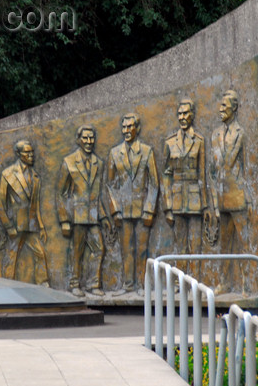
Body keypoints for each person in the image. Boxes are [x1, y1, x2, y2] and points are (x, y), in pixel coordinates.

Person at [106, 113, 159, 296]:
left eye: (130, 127)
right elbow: (110, 185)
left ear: (137, 128)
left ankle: (142, 285)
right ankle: (128, 285)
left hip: (142, 207)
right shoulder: (114, 153)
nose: (126, 131)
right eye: (124, 127)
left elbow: (153, 183)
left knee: (142, 248)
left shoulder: (147, 151)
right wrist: (115, 211)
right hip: (123, 210)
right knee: (126, 248)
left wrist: (150, 209)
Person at [57, 125, 110, 297]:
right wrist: (64, 220)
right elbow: (61, 194)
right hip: (77, 217)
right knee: (77, 252)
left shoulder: (98, 163)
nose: (89, 142)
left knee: (99, 248)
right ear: (78, 140)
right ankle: (74, 283)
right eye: (85, 138)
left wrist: (104, 218)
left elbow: (99, 193)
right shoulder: (69, 162)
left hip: (93, 216)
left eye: (91, 138)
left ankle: (93, 284)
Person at [210, 90, 249, 293]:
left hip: (237, 195)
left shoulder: (240, 133)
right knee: (224, 243)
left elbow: (247, 165)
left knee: (243, 242)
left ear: (234, 108)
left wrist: (248, 195)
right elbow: (212, 170)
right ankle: (224, 282)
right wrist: (214, 201)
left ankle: (246, 283)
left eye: (224, 106)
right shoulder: (215, 134)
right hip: (221, 196)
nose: (220, 109)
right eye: (220, 105)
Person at [162, 99, 207, 275]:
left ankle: (195, 280)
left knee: (195, 244)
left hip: (195, 200)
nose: (182, 117)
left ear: (192, 115)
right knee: (179, 244)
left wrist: (205, 205)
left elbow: (202, 174)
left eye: (186, 113)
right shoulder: (170, 142)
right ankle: (178, 280)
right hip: (177, 199)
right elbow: (166, 175)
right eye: (179, 114)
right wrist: (167, 207)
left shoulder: (199, 141)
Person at [0, 140, 50, 286]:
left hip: (31, 224)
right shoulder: (7, 174)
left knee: (40, 253)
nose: (31, 155)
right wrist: (8, 226)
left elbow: (36, 204)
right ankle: (7, 285)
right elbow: (0, 203)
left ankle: (43, 283)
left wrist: (41, 225)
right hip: (15, 224)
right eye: (27, 152)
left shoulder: (36, 176)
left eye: (32, 152)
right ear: (19, 154)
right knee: (11, 255)